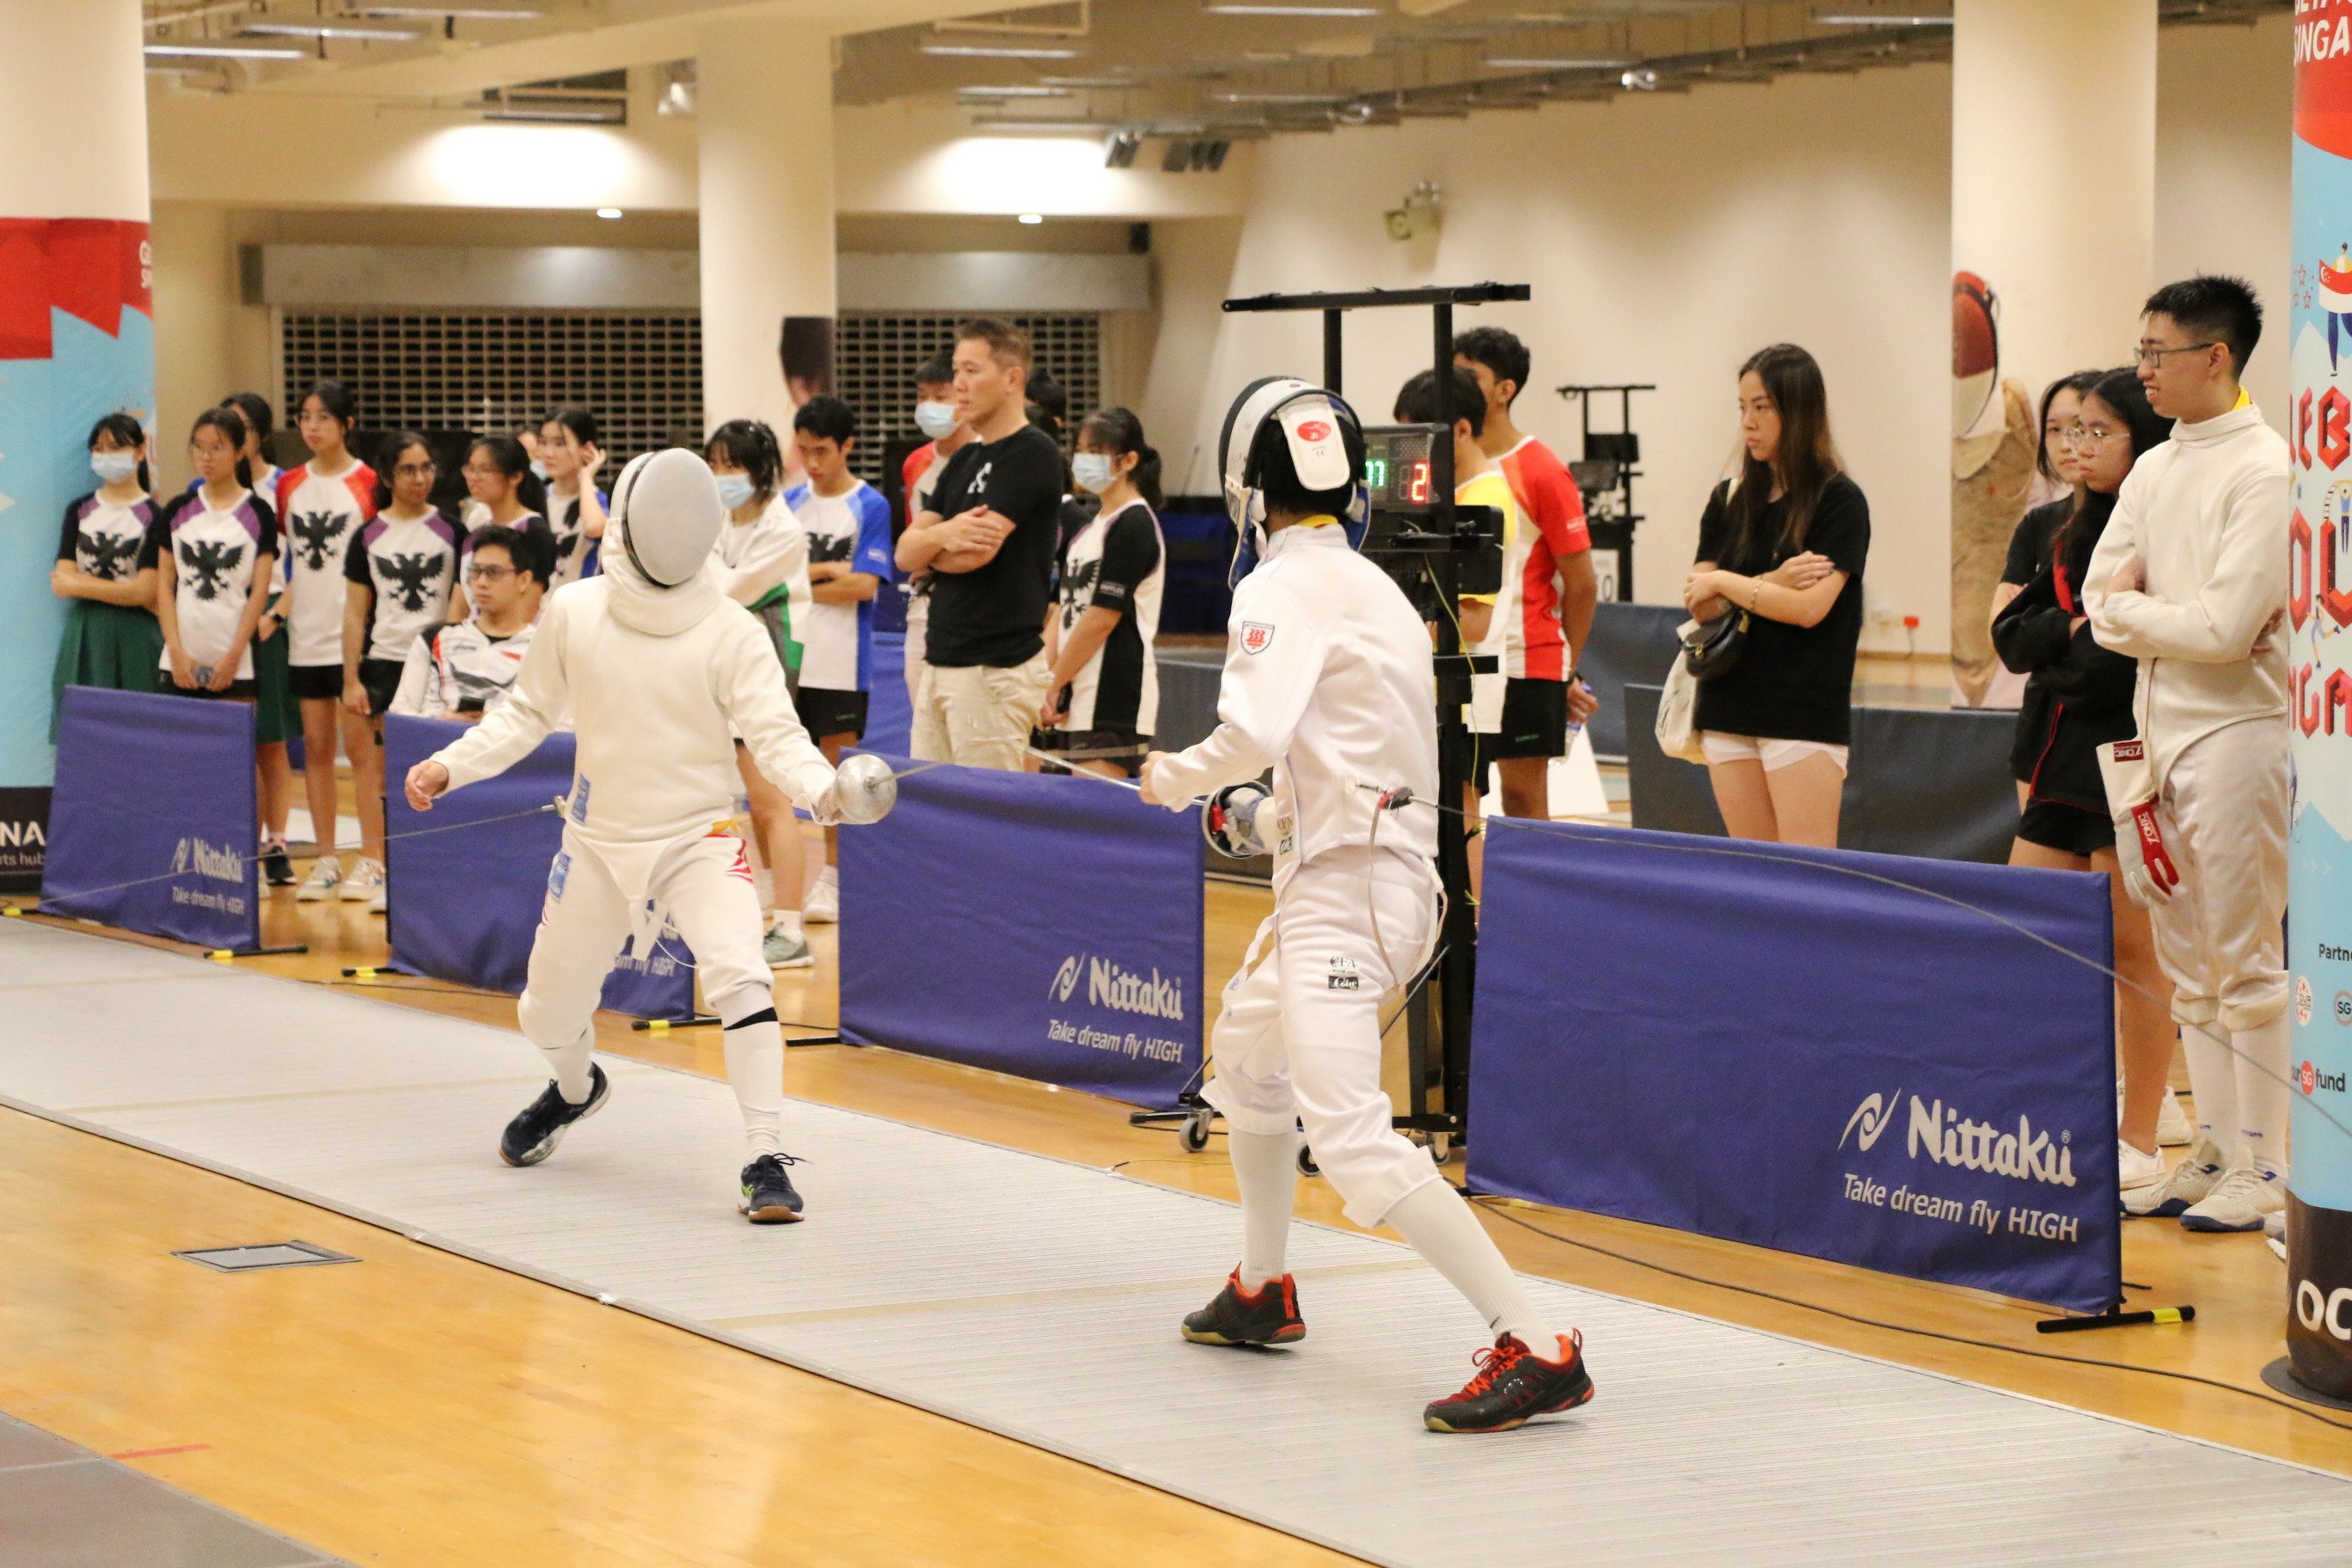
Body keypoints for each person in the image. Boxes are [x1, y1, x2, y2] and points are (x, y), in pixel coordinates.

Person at [1141, 379, 1591, 1434]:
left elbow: (1249, 736)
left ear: (1252, 488)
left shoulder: (1278, 590)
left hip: (1353, 890)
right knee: (1248, 1055)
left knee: (1347, 1133)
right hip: (1359, 877)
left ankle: (1537, 1344)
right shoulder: (1375, 587)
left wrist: (1176, 777)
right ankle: (1262, 1288)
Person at [402, 448, 850, 1224]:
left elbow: (778, 736)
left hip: (700, 837)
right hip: (597, 840)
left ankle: (765, 1155)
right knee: (544, 1012)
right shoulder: (576, 611)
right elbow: (525, 713)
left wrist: (824, 792)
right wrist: (450, 763)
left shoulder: (731, 629)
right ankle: (576, 1088)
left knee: (743, 977)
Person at [2086, 276, 2293, 1234]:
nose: (2143, 372)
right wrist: (2148, 617)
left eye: (2158, 354)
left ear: (2216, 357)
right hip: (2154, 738)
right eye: (2140, 352)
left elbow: (2226, 624)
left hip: (2238, 736)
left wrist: (2141, 614)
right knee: (2191, 961)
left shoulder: (2264, 467)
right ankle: (2211, 1149)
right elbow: (2099, 599)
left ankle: (2268, 1164)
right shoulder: (2158, 465)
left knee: (2245, 958)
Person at [1991, 367, 2181, 1199]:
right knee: (2029, 938)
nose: (2078, 446)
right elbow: (2011, 634)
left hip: (2132, 755)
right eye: (2069, 432)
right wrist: (2072, 631)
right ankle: (2054, 1120)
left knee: (2137, 952)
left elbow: (2111, 665)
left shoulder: (2159, 521)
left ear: (2139, 438)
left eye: (2099, 431)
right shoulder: (2062, 530)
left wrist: (2065, 643)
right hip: (2062, 756)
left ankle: (2141, 1138)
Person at [1682, 345, 1871, 849]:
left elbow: (1809, 609)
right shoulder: (1728, 498)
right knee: (1753, 874)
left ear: (1799, 410)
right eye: (1742, 407)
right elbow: (1698, 602)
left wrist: (1729, 583)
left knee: (1806, 878)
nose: (1748, 421)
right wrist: (1770, 582)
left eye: (1762, 407)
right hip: (1727, 705)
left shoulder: (1839, 500)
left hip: (1802, 708)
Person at [896, 319, 1064, 770]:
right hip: (940, 661)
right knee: (934, 814)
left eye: (971, 371)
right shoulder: (965, 458)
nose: (958, 385)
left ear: (1012, 379)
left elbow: (976, 554)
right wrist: (943, 536)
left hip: (994, 670)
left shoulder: (1032, 451)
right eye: (956, 371)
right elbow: (904, 553)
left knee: (987, 823)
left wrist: (931, 551)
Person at [1453, 327, 1601, 820]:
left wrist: (1563, 672)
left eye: (1471, 374)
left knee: (1522, 802)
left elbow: (1581, 584)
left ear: (1505, 390)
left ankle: (1534, 900)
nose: (1458, 382)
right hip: (1464, 657)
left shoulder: (1541, 470)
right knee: (1459, 796)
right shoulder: (1448, 463)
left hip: (1525, 661)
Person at [1393, 366, 1522, 895]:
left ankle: (1473, 933)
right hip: (1437, 686)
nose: (1415, 454)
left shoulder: (1485, 501)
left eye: (1423, 438)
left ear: (1463, 431)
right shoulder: (1451, 494)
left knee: (1462, 810)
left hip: (1468, 689)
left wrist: (1396, 630)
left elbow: (1473, 617)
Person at [340, 432, 465, 913]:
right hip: (383, 662)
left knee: (434, 770)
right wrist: (351, 678)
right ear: (388, 477)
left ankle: (425, 867)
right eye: (409, 469)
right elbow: (354, 612)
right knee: (376, 774)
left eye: (427, 467)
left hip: (434, 665)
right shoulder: (367, 535)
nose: (420, 478)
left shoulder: (453, 530)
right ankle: (375, 861)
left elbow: (460, 604)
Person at [708, 420, 817, 970]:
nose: (724, 476)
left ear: (762, 468)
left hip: (769, 657)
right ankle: (773, 914)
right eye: (716, 464)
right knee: (754, 804)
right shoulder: (721, 520)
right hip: (728, 657)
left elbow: (724, 590)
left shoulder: (782, 530)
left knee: (773, 801)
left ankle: (792, 930)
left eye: (735, 465)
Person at [784, 397, 893, 925]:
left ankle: (830, 879)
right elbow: (769, 584)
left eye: (821, 450)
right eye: (803, 450)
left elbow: (864, 585)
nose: (812, 461)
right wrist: (826, 570)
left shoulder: (870, 505)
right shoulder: (786, 504)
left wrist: (812, 581)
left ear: (847, 445)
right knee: (777, 769)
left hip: (841, 663)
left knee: (833, 773)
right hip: (787, 660)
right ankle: (780, 882)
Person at [275, 383, 381, 904]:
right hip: (306, 637)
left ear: (347, 424)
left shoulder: (368, 483)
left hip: (352, 640)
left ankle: (374, 861)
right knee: (315, 751)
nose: (312, 426)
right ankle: (324, 860)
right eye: (304, 416)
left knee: (362, 755)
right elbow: (292, 561)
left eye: (323, 417)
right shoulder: (289, 484)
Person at [1036, 407, 1165, 779]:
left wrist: (1054, 681)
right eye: (1081, 449)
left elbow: (1101, 619)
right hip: (1074, 693)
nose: (1084, 459)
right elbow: (1063, 610)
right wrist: (1046, 683)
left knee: (1093, 822)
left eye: (1096, 450)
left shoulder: (1134, 523)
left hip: (1113, 697)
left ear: (1128, 461)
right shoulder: (1089, 530)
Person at [206, 392, 300, 885]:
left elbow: (308, 559)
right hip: (217, 618)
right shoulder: (202, 491)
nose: (225, 436)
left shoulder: (284, 486)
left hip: (267, 618)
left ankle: (277, 842)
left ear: (258, 436)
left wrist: (278, 614)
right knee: (227, 736)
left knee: (270, 738)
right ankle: (231, 842)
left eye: (236, 427)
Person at [146, 407, 279, 712]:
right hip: (180, 660)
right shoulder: (178, 510)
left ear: (239, 451)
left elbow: (260, 591)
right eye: (199, 447)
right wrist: (176, 652)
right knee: (181, 754)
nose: (205, 457)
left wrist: (233, 655)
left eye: (217, 448)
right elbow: (165, 587)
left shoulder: (258, 514)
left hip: (235, 660)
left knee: (232, 756)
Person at [52, 415, 165, 729]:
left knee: (140, 729)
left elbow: (146, 591)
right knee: (84, 731)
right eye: (98, 448)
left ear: (140, 451)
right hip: (85, 634)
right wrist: (123, 591)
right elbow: (61, 583)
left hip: (138, 636)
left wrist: (80, 583)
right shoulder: (78, 510)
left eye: (115, 447)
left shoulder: (156, 516)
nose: (105, 454)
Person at [390, 525, 542, 721]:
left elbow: (558, 726)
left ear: (524, 580)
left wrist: (489, 724)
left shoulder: (541, 648)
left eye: (494, 572)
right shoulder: (433, 638)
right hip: (436, 744)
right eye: (476, 571)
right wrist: (441, 721)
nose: (481, 582)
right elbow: (400, 713)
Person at [899, 353, 972, 718]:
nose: (929, 406)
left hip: (970, 608)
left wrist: (929, 550)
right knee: (922, 717)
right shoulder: (916, 463)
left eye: (940, 397)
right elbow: (910, 548)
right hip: (922, 605)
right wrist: (929, 548)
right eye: (923, 396)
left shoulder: (983, 458)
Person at [450, 435, 553, 621]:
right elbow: (459, 607)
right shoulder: (475, 534)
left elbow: (529, 610)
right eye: (470, 469)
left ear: (515, 477)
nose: (473, 478)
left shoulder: (534, 531)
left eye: (484, 470)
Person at [537, 407, 609, 589]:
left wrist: (586, 476)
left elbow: (594, 527)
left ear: (587, 449)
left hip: (578, 611)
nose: (548, 453)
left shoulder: (597, 501)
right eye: (543, 443)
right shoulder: (535, 497)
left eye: (559, 444)